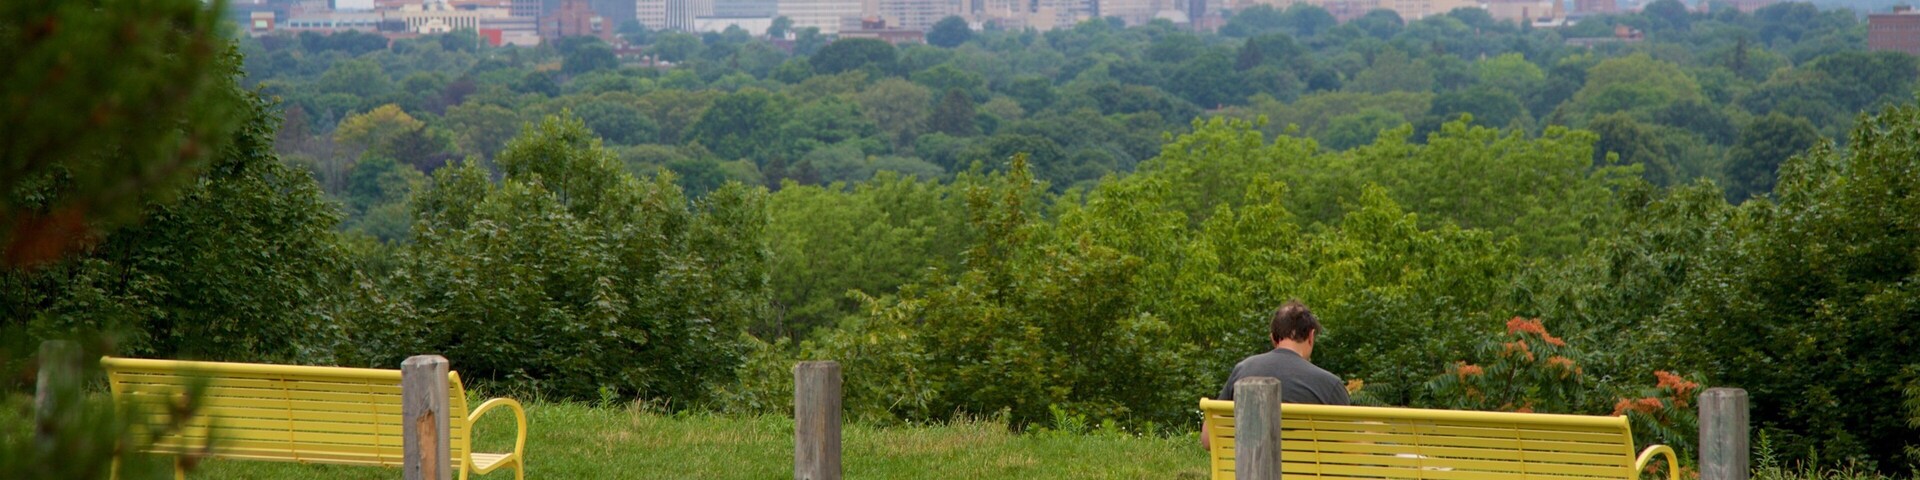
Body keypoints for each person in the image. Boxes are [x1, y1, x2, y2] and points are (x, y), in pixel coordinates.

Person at [1202, 300, 1349, 449]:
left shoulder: (1243, 370)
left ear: (1273, 338)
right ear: (1311, 336)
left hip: (1249, 472)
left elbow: (1208, 439)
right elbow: (1351, 449)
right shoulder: (1330, 384)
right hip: (1308, 472)